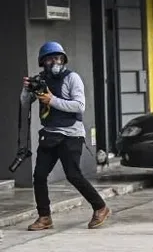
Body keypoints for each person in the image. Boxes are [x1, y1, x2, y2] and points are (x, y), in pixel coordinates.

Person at [21, 42, 110, 231]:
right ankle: (44, 217)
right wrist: (27, 89)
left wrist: (51, 100)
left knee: (73, 174)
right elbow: (24, 104)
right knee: (39, 175)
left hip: (71, 134)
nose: (55, 61)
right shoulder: (41, 80)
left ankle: (100, 207)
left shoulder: (72, 78)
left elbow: (79, 106)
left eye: (58, 58)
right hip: (50, 134)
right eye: (51, 58)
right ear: (43, 61)